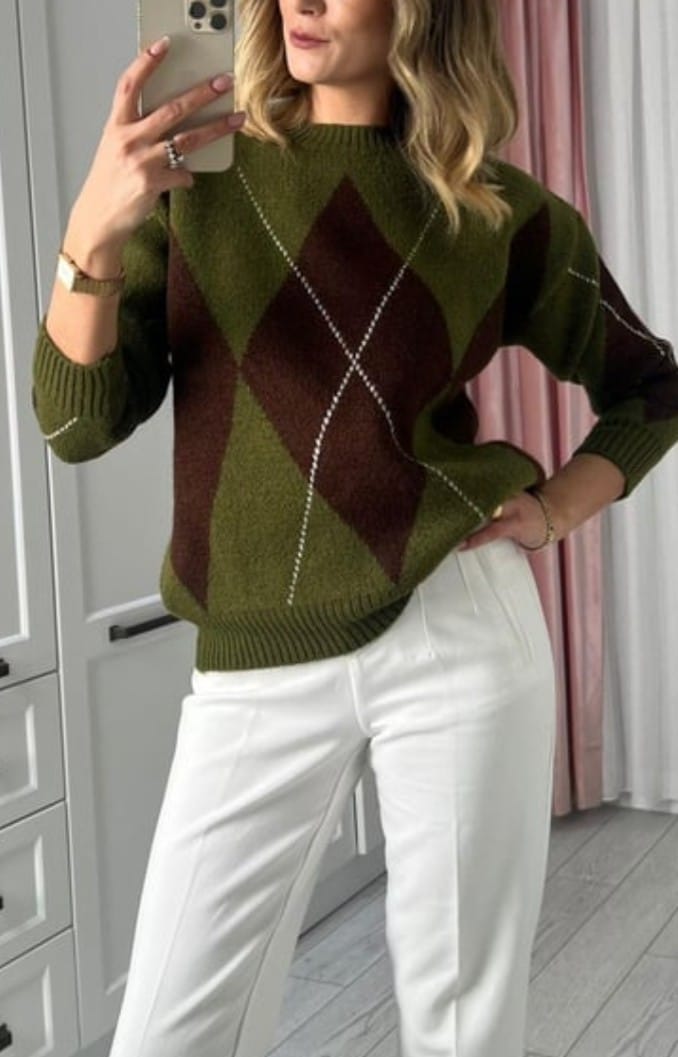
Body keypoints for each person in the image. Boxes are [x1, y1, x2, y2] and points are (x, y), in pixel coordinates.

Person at [31, 0, 678, 1055]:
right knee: (166, 1035)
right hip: (252, 658)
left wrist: (557, 507)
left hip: (455, 621)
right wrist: (92, 233)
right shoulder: (194, 181)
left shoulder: (498, 210)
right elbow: (76, 424)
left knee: (464, 1030)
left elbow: (653, 384)